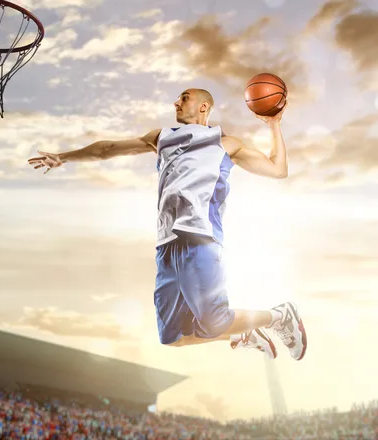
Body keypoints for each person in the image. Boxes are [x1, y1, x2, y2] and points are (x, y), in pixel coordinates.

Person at [27, 88, 306, 361]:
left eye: (184, 98)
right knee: (172, 338)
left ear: (204, 106)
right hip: (166, 243)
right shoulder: (161, 138)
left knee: (215, 319)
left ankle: (280, 315)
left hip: (200, 237)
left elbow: (278, 169)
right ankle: (241, 335)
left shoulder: (224, 143)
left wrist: (274, 124)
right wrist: (62, 157)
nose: (176, 103)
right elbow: (106, 149)